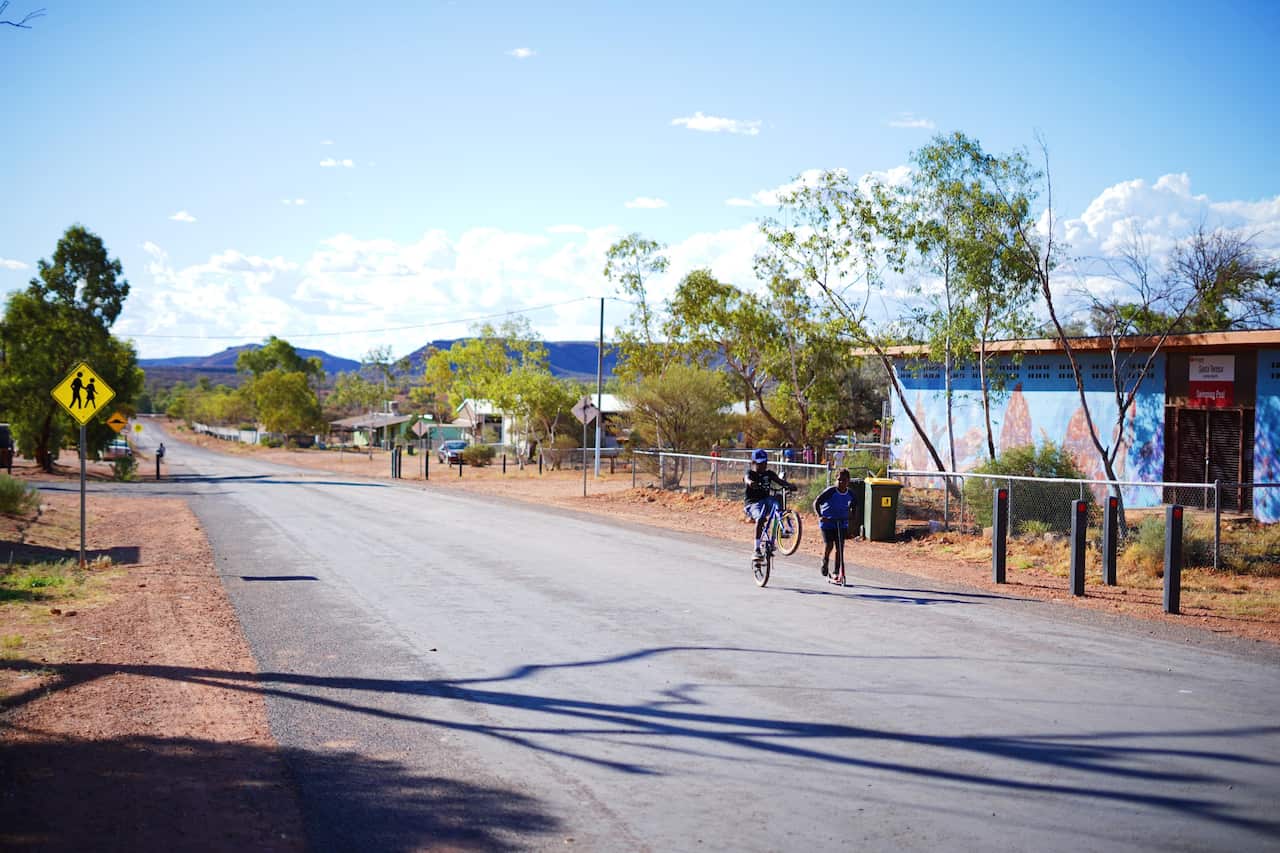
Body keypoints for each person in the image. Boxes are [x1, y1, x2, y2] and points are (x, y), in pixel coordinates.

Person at [743, 448, 797, 563]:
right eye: (760, 463)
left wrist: (790, 485)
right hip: (753, 504)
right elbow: (747, 479)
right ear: (753, 463)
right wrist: (751, 483)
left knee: (777, 498)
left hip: (766, 501)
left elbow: (780, 482)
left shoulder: (769, 474)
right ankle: (756, 549)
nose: (763, 465)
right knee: (760, 519)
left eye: (765, 462)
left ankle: (781, 527)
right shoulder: (750, 473)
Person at [813, 469, 855, 580]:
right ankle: (825, 561)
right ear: (836, 480)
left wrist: (851, 515)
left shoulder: (850, 493)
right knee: (829, 545)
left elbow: (854, 505)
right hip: (828, 523)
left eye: (844, 480)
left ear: (848, 481)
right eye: (839, 480)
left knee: (840, 549)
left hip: (841, 523)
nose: (841, 482)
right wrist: (820, 516)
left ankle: (837, 571)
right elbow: (816, 502)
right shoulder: (831, 491)